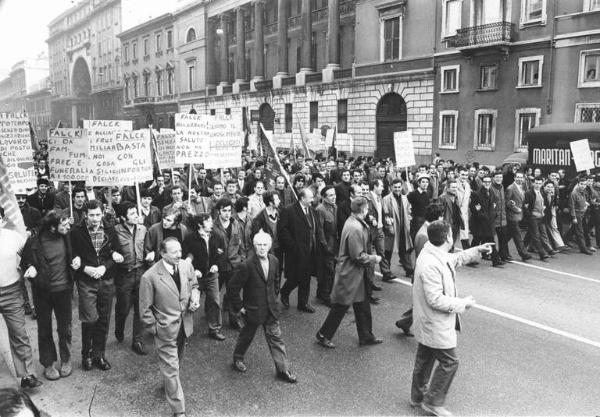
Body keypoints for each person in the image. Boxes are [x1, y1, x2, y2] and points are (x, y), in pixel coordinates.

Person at [410, 220, 493, 416]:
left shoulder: (432, 251)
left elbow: (453, 260)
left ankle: (417, 397)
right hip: (434, 322)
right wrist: (463, 304)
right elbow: (435, 299)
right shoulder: (431, 263)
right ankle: (433, 401)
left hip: (428, 321)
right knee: (449, 362)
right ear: (448, 237)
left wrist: (476, 250)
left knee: (425, 357)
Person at [139, 237, 200, 417]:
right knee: (172, 370)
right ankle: (178, 410)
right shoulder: (149, 277)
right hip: (165, 330)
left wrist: (195, 298)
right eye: (174, 252)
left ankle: (168, 384)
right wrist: (156, 328)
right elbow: (144, 310)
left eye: (180, 251)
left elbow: (194, 285)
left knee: (176, 363)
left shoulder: (185, 266)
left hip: (184, 326)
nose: (179, 255)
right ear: (162, 253)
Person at [228, 232, 297, 383]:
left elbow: (276, 280)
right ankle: (238, 358)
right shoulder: (246, 265)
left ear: (270, 246)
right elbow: (232, 287)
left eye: (265, 245)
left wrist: (274, 297)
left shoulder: (274, 261)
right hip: (253, 309)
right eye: (259, 245)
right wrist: (240, 307)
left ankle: (283, 370)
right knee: (247, 335)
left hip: (271, 309)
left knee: (276, 338)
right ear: (254, 246)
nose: (262, 248)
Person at [316, 197, 382, 348]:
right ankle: (323, 334)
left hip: (355, 274)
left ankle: (366, 336)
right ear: (364, 210)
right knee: (340, 306)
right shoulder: (355, 228)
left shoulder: (353, 221)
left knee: (362, 305)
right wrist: (374, 258)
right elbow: (358, 256)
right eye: (367, 209)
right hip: (351, 273)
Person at [21, 211, 74, 380]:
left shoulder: (68, 237)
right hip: (42, 292)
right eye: (64, 224)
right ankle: (48, 364)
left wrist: (77, 260)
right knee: (44, 329)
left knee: (65, 328)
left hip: (64, 291)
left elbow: (77, 251)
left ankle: (66, 359)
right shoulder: (34, 242)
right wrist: (30, 267)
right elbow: (24, 261)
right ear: (52, 227)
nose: (68, 226)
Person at [70, 200, 122, 371]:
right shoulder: (76, 231)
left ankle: (99, 355)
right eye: (91, 215)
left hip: (106, 280)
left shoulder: (110, 229)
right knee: (90, 319)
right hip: (86, 281)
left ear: (102, 213)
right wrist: (86, 268)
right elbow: (73, 255)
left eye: (98, 214)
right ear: (85, 214)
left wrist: (104, 267)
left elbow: (116, 252)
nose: (95, 218)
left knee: (104, 319)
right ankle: (86, 354)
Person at [0, 207, 43, 389]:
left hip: (10, 291)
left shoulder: (13, 237)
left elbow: (31, 256)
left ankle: (27, 375)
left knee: (19, 333)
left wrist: (32, 266)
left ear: (2, 219)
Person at [394, 203, 444, 336]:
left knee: (422, 302)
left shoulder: (427, 231)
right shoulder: (424, 235)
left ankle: (405, 322)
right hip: (424, 274)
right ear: (436, 217)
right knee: (426, 302)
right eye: (441, 217)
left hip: (425, 274)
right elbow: (424, 259)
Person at [183, 213, 226, 341]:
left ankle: (214, 328)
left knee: (214, 301)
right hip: (196, 277)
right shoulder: (190, 238)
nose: (211, 223)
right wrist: (193, 270)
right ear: (200, 224)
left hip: (212, 275)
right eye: (207, 221)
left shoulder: (217, 236)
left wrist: (216, 265)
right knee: (191, 304)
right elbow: (185, 255)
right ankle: (184, 333)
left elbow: (222, 253)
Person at [113, 202, 147, 355]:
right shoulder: (115, 231)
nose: (136, 216)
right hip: (123, 274)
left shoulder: (143, 229)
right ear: (122, 217)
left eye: (136, 212)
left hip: (141, 272)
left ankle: (137, 340)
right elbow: (110, 250)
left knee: (140, 308)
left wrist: (150, 253)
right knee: (123, 307)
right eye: (132, 214)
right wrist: (114, 253)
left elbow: (148, 246)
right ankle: (119, 327)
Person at [279, 188, 320, 313]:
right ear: (302, 198)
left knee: (306, 277)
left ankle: (303, 303)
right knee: (295, 277)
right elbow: (283, 230)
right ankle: (285, 291)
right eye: (310, 197)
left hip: (310, 250)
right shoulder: (289, 210)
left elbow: (315, 229)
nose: (312, 199)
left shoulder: (312, 211)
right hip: (296, 252)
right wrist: (292, 246)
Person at [212, 197, 247, 328]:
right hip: (219, 265)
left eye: (229, 210)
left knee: (233, 292)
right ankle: (212, 317)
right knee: (214, 293)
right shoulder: (213, 226)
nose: (227, 213)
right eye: (224, 211)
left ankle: (234, 319)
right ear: (218, 211)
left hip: (234, 264)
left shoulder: (236, 224)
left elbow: (241, 243)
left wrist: (242, 259)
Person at [382, 179, 414, 278]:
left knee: (404, 248)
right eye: (395, 187)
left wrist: (409, 216)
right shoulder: (386, 199)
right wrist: (389, 226)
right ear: (391, 187)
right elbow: (385, 213)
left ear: (401, 187)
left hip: (403, 228)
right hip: (392, 228)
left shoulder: (405, 198)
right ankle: (386, 272)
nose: (397, 189)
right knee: (388, 250)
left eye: (399, 187)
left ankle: (409, 270)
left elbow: (409, 210)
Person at [470, 175, 502, 267]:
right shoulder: (477, 194)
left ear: (491, 182)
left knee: (490, 241)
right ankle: (471, 259)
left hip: (489, 222)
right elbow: (474, 208)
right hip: (479, 222)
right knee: (476, 241)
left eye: (489, 182)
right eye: (485, 182)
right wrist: (482, 216)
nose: (487, 183)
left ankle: (495, 261)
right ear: (482, 182)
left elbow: (495, 206)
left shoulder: (493, 193)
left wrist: (494, 215)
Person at [315, 186, 338, 306]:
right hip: (325, 245)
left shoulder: (335, 207)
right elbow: (320, 231)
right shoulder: (320, 209)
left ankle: (321, 292)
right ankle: (326, 296)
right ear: (324, 197)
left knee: (328, 269)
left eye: (334, 194)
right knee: (329, 271)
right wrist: (326, 247)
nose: (333, 197)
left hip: (334, 243)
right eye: (330, 195)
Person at [523, 178, 556, 260]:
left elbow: (546, 204)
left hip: (541, 217)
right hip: (533, 217)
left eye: (540, 183)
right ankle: (542, 253)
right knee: (536, 235)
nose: (538, 185)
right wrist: (530, 216)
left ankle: (522, 247)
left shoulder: (541, 192)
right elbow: (525, 207)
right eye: (536, 183)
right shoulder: (528, 193)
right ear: (533, 183)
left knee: (540, 234)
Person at [505, 172, 532, 261]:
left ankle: (502, 250)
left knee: (507, 236)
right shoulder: (510, 188)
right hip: (512, 215)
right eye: (518, 177)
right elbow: (507, 202)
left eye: (521, 178)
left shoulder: (523, 187)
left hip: (519, 215)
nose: (519, 179)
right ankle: (523, 253)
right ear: (514, 178)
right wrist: (516, 209)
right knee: (517, 235)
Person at [568, 175, 593, 254]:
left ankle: (564, 240)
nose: (583, 186)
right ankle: (583, 248)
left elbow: (583, 200)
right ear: (578, 184)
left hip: (582, 214)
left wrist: (585, 204)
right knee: (580, 232)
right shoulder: (573, 193)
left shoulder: (583, 192)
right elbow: (571, 206)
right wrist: (573, 217)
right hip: (577, 214)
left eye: (584, 184)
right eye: (581, 184)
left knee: (573, 230)